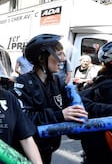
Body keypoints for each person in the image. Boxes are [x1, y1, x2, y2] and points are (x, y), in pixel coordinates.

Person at [10, 34, 88, 164]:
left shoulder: (57, 81)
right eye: (59, 54)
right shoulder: (23, 83)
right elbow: (24, 118)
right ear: (41, 58)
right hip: (26, 152)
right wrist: (60, 115)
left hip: (48, 148)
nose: (63, 59)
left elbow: (78, 103)